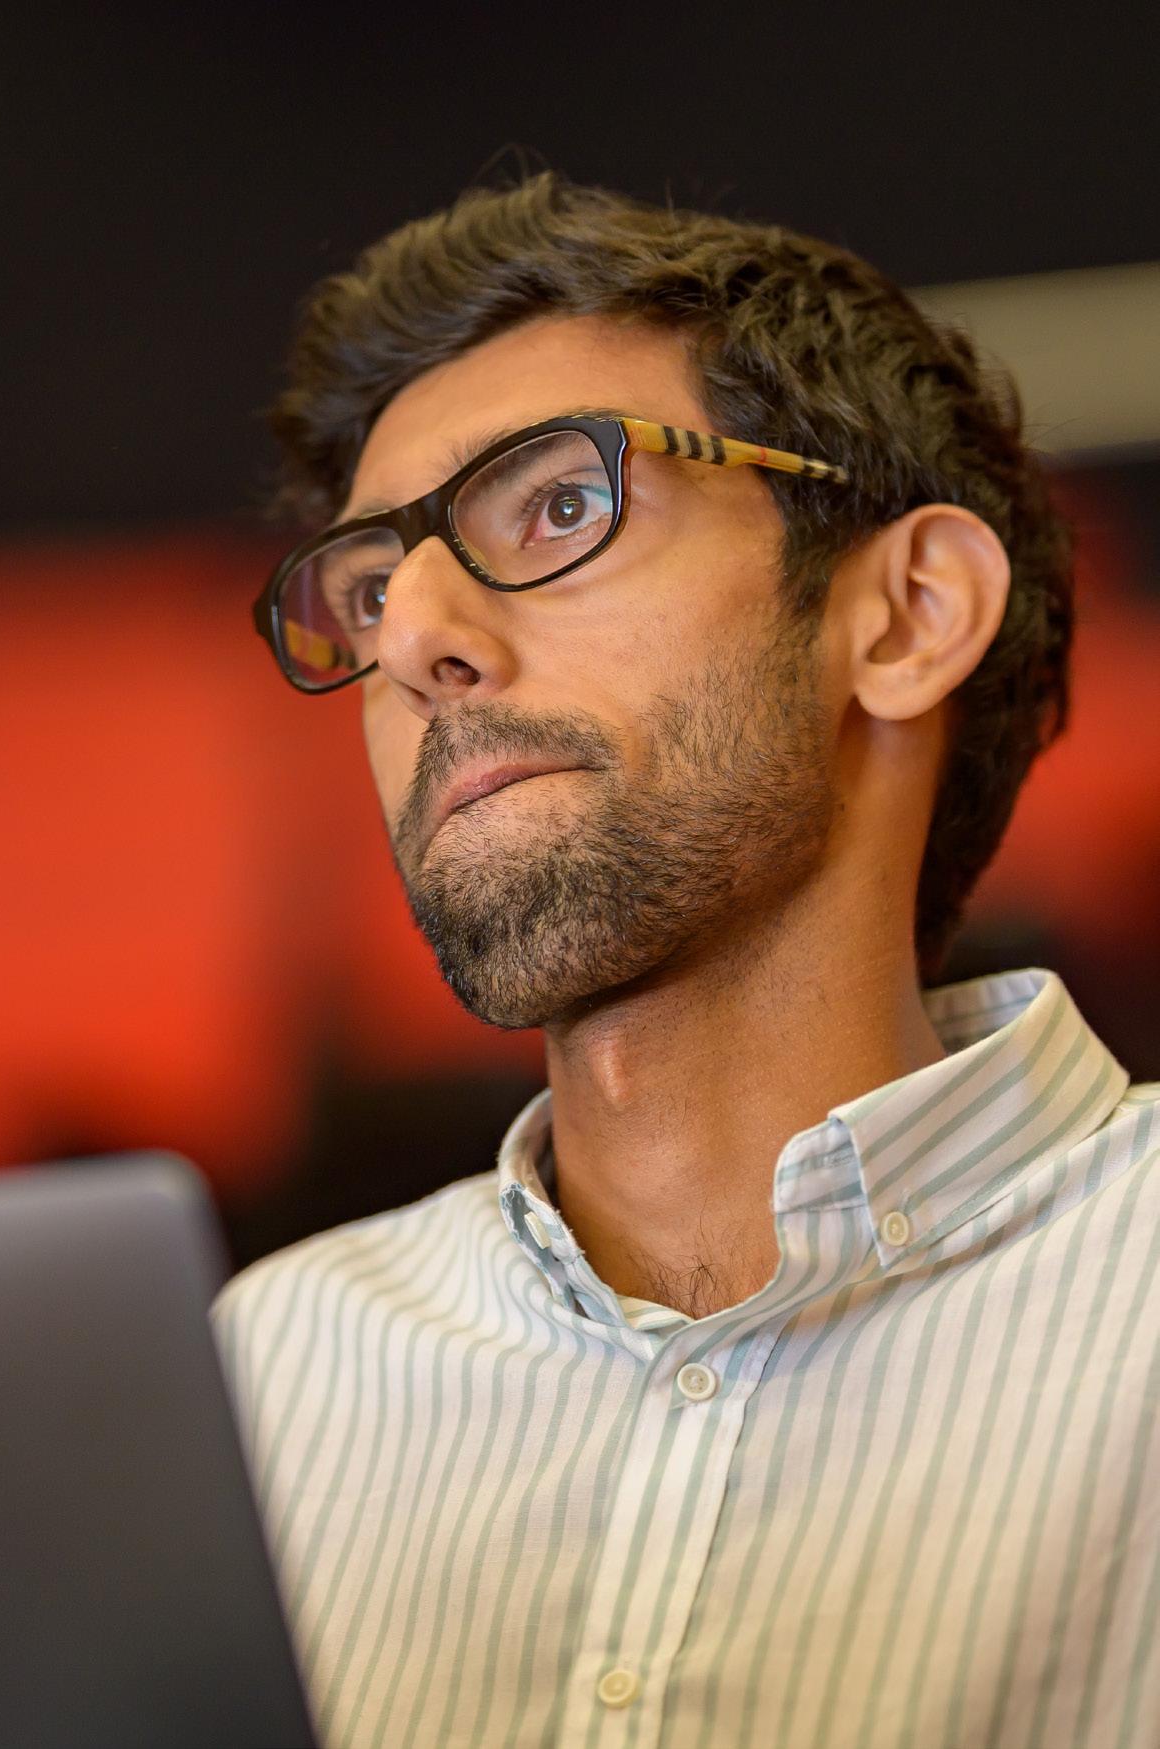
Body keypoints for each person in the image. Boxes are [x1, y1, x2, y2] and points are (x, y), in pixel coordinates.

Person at [213, 173, 1159, 1749]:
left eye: (557, 506)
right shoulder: (255, 1380)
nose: (414, 640)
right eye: (369, 590)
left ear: (908, 614)